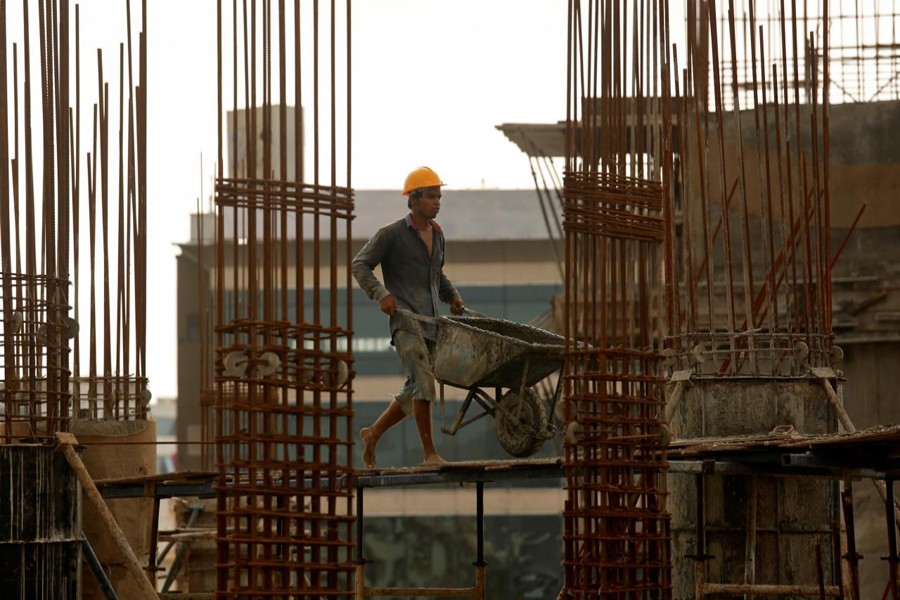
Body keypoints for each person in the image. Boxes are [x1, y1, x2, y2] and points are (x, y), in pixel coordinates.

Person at [351, 166, 466, 468]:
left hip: (430, 324)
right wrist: (381, 294)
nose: (437, 202)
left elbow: (437, 276)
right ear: (413, 200)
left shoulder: (438, 236)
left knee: (411, 390)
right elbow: (360, 265)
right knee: (424, 384)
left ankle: (372, 433)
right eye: (430, 196)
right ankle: (429, 455)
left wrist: (452, 296)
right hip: (405, 324)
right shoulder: (391, 234)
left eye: (439, 196)